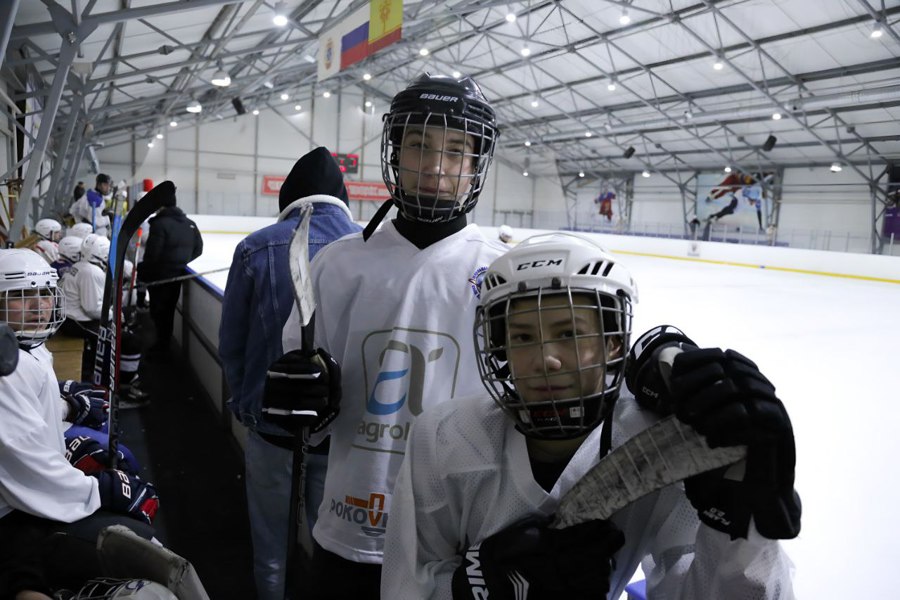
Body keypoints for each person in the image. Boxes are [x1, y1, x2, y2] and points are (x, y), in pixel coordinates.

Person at [380, 232, 801, 599]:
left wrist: (738, 529)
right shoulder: (443, 435)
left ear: (614, 342)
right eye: (523, 336)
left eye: (569, 333)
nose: (546, 358)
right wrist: (478, 587)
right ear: (500, 348)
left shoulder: (656, 443)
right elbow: (405, 583)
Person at [264, 73, 503, 599]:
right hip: (349, 523)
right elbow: (305, 399)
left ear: (476, 164)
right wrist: (301, 399)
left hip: (458, 539)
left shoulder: (504, 273)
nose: (437, 167)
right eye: (420, 146)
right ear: (395, 153)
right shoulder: (338, 264)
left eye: (457, 151)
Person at [218, 146, 362, 600]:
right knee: (333, 541)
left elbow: (232, 344)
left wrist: (247, 405)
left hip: (271, 425)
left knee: (270, 542)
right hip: (342, 434)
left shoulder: (255, 248)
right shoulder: (369, 247)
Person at [0, 249, 159, 593]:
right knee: (28, 583)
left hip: (25, 491)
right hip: (12, 510)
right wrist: (100, 490)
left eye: (43, 293)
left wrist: (68, 407)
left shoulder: (26, 347)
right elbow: (25, 459)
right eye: (21, 296)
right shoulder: (6, 368)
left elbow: (30, 412)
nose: (38, 305)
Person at [137, 193, 203, 359]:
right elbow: (198, 249)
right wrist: (181, 263)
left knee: (159, 312)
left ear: (161, 207)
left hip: (160, 277)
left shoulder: (159, 224)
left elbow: (153, 255)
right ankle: (163, 345)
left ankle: (162, 348)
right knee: (168, 312)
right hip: (177, 275)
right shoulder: (190, 224)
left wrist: (144, 273)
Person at [59, 234, 109, 381]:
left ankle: (90, 366)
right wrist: (115, 314)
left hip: (68, 318)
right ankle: (103, 379)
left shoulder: (80, 266)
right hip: (74, 322)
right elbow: (92, 308)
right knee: (110, 336)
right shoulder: (91, 272)